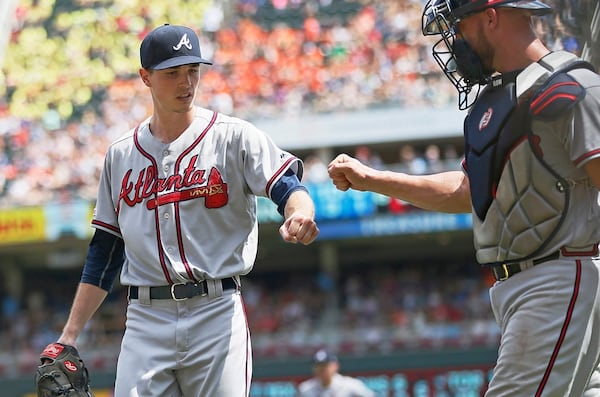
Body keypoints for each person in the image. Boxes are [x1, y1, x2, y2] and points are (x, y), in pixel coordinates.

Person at [328, 0, 600, 395]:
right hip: (523, 286)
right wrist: (374, 179)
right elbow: (469, 190)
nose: (454, 39)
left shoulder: (570, 87)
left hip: (560, 279)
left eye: (459, 24)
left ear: (491, 17)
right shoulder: (494, 100)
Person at [41, 24, 319, 397]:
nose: (186, 82)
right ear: (145, 78)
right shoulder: (121, 155)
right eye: (172, 73)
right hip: (146, 317)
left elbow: (289, 187)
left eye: (192, 71)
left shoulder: (233, 136)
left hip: (216, 312)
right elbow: (105, 251)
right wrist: (69, 335)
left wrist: (299, 212)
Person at [296, 349, 376, 397]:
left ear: (335, 366)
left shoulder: (350, 385)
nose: (320, 369)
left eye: (324, 366)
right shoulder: (305, 389)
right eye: (318, 366)